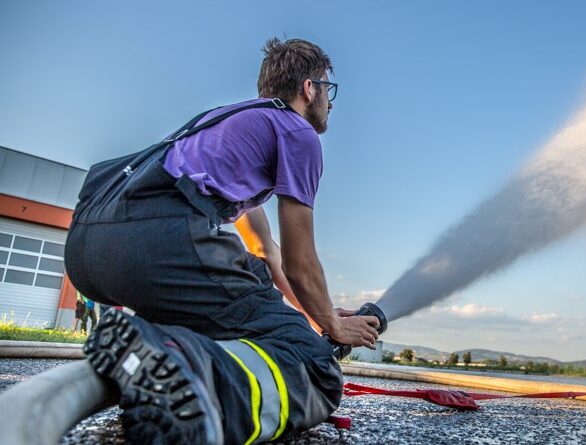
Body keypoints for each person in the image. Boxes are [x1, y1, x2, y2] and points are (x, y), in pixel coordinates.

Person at [65, 38, 380, 445]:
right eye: (327, 89)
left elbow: (267, 252)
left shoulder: (230, 123)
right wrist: (332, 327)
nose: (330, 102)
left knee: (252, 278)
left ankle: (153, 346)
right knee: (314, 366)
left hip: (91, 247)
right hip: (159, 239)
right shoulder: (298, 134)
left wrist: (314, 314)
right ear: (309, 88)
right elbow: (301, 263)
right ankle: (192, 392)